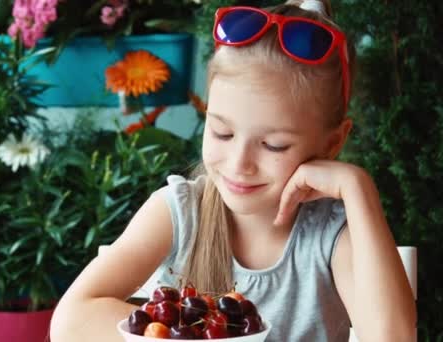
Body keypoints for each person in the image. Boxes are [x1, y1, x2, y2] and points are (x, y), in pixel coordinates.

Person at [50, 0, 417, 341]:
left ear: (332, 143)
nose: (239, 163)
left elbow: (393, 337)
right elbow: (71, 320)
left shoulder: (329, 236)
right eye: (222, 132)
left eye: (274, 145)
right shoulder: (179, 211)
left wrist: (358, 189)